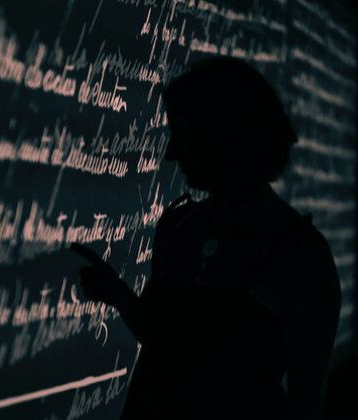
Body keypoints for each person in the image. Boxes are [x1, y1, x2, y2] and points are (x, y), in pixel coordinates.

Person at [72, 57, 341, 419]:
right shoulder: (176, 224)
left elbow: (306, 404)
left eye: (182, 137)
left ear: (226, 138)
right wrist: (118, 295)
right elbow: (167, 343)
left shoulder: (302, 257)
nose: (170, 154)